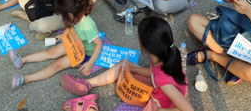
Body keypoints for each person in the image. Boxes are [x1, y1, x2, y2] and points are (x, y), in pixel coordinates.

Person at [60, 16, 192, 111]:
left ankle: (89, 108)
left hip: (161, 103)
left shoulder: (163, 81)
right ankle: (88, 84)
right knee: (125, 64)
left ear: (143, 45)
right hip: (159, 91)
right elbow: (154, 73)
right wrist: (135, 71)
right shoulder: (165, 54)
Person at [10, 0, 103, 90]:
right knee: (51, 52)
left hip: (84, 55)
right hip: (75, 43)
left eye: (62, 14)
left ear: (70, 14)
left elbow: (99, 44)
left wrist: (89, 63)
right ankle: (22, 59)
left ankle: (26, 79)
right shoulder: (75, 15)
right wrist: (64, 34)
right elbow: (71, 26)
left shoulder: (87, 26)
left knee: (56, 65)